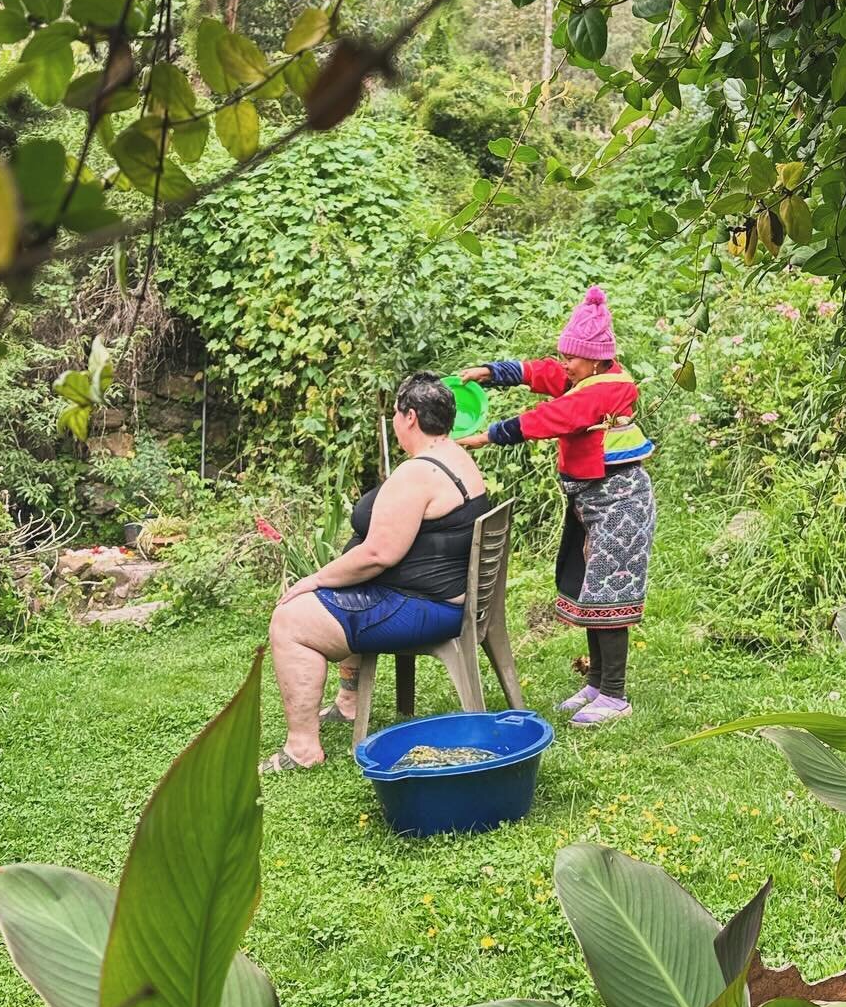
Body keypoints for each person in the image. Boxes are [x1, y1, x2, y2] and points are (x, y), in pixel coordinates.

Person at [263, 372, 489, 774]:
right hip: (443, 599)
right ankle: (349, 702)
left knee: (291, 620)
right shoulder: (457, 457)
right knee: (341, 590)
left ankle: (302, 749)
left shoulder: (419, 473)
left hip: (423, 608)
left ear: (411, 418)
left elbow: (378, 555)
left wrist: (314, 579)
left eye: (397, 415)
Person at [459, 285, 654, 726]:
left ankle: (617, 695)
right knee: (590, 588)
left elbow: (556, 417)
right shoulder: (586, 376)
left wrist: (491, 435)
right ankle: (598, 683)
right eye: (565, 355)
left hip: (620, 501)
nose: (565, 362)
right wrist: (494, 373)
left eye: (572, 356)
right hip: (592, 500)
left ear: (597, 358)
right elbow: (547, 374)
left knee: (610, 592)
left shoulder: (607, 389)